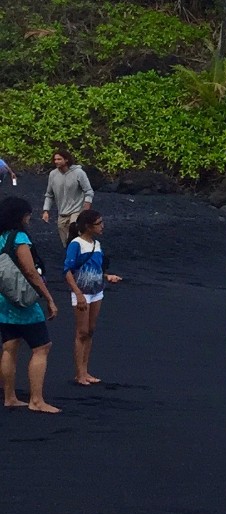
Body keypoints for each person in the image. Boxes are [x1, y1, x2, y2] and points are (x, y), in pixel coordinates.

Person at [0, 193, 60, 414]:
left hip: (3, 300)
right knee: (42, 347)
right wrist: (49, 298)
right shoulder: (19, 239)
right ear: (20, 216)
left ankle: (10, 397)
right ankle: (36, 400)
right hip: (23, 301)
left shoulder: (0, 237)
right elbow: (31, 272)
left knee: (10, 346)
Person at [62, 206, 121, 387]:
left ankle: (85, 370)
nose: (102, 226)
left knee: (91, 331)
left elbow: (96, 269)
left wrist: (106, 276)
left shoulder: (97, 245)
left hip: (96, 291)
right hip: (82, 293)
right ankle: (79, 373)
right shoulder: (76, 244)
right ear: (88, 226)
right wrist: (78, 293)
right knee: (82, 332)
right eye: (99, 224)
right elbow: (67, 271)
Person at [41, 147, 94, 250]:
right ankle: (71, 255)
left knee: (74, 230)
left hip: (77, 210)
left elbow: (88, 191)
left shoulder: (78, 173)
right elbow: (49, 194)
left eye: (59, 159)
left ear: (66, 160)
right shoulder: (53, 174)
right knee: (65, 239)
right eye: (55, 159)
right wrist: (46, 210)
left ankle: (83, 253)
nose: (56, 161)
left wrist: (87, 206)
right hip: (62, 211)